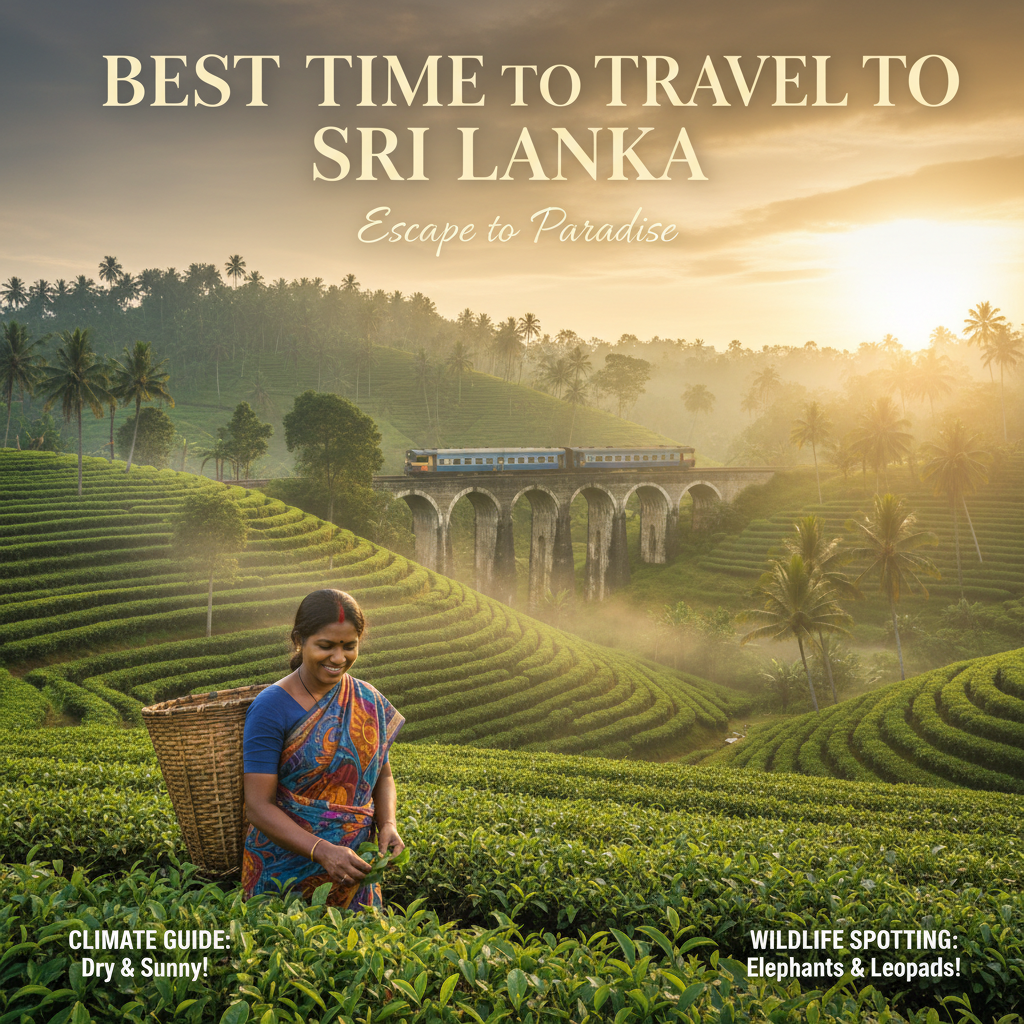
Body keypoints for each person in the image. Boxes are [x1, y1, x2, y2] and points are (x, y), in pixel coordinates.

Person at [241, 588, 405, 908]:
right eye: (326, 646)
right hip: (282, 871)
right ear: (299, 640)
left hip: (353, 872)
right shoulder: (271, 707)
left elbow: (383, 776)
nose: (339, 658)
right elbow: (258, 806)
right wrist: (322, 851)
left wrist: (388, 824)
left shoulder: (368, 699)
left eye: (349, 646)